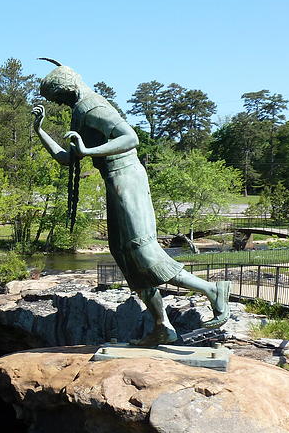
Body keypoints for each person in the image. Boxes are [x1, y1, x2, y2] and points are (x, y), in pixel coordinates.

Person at [31, 60, 230, 345]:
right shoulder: (79, 111)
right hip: (114, 183)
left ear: (69, 87)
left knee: (144, 251)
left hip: (127, 179)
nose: (62, 105)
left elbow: (130, 137)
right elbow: (67, 158)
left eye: (61, 99)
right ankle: (162, 326)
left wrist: (89, 150)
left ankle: (212, 290)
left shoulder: (92, 106)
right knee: (125, 256)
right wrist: (40, 130)